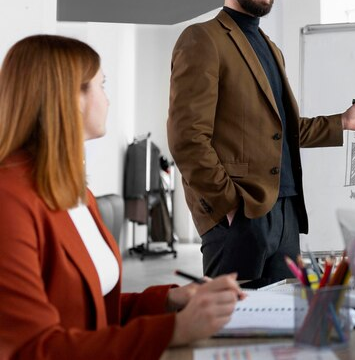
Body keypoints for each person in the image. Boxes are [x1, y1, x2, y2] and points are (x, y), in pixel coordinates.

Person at [167, 0, 355, 287]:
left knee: (286, 325)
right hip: (241, 216)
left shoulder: (271, 48)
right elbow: (187, 137)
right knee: (234, 326)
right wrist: (228, 205)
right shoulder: (202, 39)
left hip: (286, 212)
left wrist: (344, 122)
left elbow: (282, 130)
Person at [0, 35, 245, 360]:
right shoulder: (10, 201)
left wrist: (170, 301)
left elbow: (93, 310)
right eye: (101, 85)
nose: (107, 100)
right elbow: (32, 349)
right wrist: (175, 330)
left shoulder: (74, 191)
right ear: (70, 97)